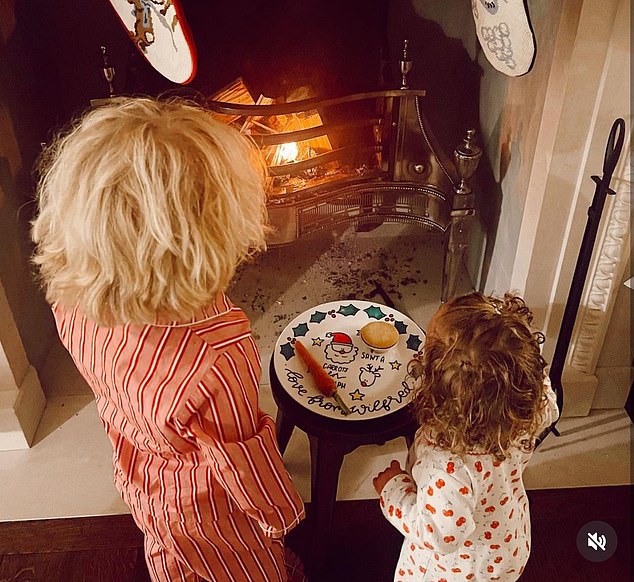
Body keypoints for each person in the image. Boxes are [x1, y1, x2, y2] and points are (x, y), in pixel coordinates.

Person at [31, 97, 305, 582]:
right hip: (207, 505)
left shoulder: (71, 299)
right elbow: (238, 456)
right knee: (241, 568)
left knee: (170, 552)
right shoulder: (216, 352)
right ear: (210, 235)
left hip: (140, 472)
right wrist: (280, 516)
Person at [373, 292, 558, 581]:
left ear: (436, 390)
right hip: (507, 546)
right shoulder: (522, 412)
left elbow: (439, 536)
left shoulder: (444, 466)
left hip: (454, 570)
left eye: (429, 344)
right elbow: (548, 401)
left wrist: (394, 491)